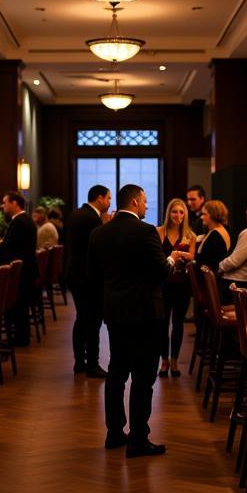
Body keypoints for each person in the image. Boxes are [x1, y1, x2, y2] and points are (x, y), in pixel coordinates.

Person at [88, 183, 172, 457]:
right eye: (145, 201)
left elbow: (95, 275)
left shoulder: (99, 233)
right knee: (143, 376)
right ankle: (138, 438)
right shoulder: (146, 232)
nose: (147, 206)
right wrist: (172, 261)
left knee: (117, 372)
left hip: (115, 311)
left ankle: (114, 433)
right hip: (146, 312)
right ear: (135, 203)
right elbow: (161, 271)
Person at [65, 184, 111, 377]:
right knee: (92, 320)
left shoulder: (78, 213)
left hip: (76, 274)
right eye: (108, 198)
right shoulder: (91, 218)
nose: (109, 202)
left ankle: (80, 362)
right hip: (86, 277)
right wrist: (107, 226)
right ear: (99, 198)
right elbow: (100, 246)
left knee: (82, 318)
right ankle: (91, 364)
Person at [156, 198, 195, 377]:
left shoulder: (190, 235)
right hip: (163, 284)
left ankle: (174, 361)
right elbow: (156, 257)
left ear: (185, 214)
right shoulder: (159, 232)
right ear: (168, 213)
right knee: (162, 324)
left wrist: (180, 254)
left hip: (182, 285)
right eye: (174, 211)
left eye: (181, 212)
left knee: (178, 324)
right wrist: (179, 255)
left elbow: (192, 256)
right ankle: (163, 360)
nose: (178, 215)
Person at [0, 191, 37, 346]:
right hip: (27, 268)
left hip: (22, 270)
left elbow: (10, 245)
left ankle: (20, 338)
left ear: (14, 203)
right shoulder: (26, 219)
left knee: (19, 305)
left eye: (5, 202)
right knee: (21, 305)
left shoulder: (19, 221)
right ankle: (21, 336)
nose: (2, 205)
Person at [185, 199, 231, 272]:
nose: (201, 217)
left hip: (208, 280)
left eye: (204, 214)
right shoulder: (220, 230)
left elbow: (205, 263)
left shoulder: (215, 235)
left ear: (214, 215)